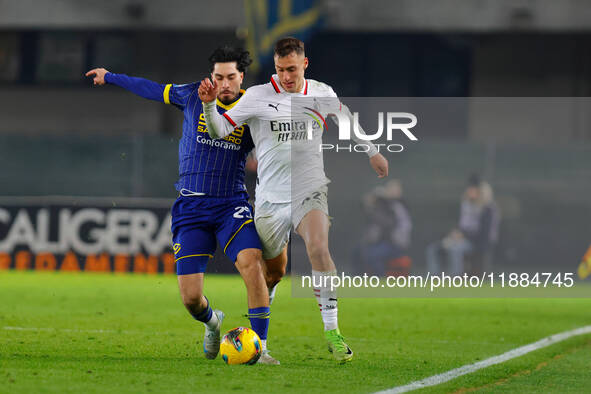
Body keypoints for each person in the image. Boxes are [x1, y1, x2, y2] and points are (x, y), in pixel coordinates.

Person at [198, 37, 389, 363]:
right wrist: (209, 104)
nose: (286, 76)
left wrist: (373, 151)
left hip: (309, 190)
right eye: (279, 69)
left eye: (291, 69)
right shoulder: (257, 96)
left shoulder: (321, 92)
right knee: (271, 274)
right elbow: (217, 130)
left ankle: (333, 332)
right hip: (270, 200)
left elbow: (347, 119)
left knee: (318, 247)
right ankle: (260, 342)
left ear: (304, 65)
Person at [85, 46, 279, 364]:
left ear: (241, 77)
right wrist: (112, 77)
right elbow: (150, 89)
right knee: (191, 299)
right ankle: (213, 323)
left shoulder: (253, 109)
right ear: (211, 76)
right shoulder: (191, 94)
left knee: (251, 263)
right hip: (191, 208)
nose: (225, 83)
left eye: (231, 77)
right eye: (219, 77)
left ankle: (261, 347)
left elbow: (276, 147)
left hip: (232, 204)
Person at [426, 174, 500, 275]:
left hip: (477, 243)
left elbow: (483, 234)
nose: (470, 192)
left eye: (473, 190)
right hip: (460, 239)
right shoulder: (465, 206)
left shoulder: (487, 209)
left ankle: (455, 279)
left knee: (455, 250)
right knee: (433, 249)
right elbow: (460, 226)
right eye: (469, 190)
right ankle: (434, 280)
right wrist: (454, 235)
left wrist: (463, 235)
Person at [358, 180, 412, 276]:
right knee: (359, 253)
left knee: (372, 255)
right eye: (390, 189)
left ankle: (381, 279)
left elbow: (388, 224)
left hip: (395, 244)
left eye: (395, 190)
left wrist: (380, 200)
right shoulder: (384, 205)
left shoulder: (397, 206)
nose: (392, 192)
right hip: (381, 243)